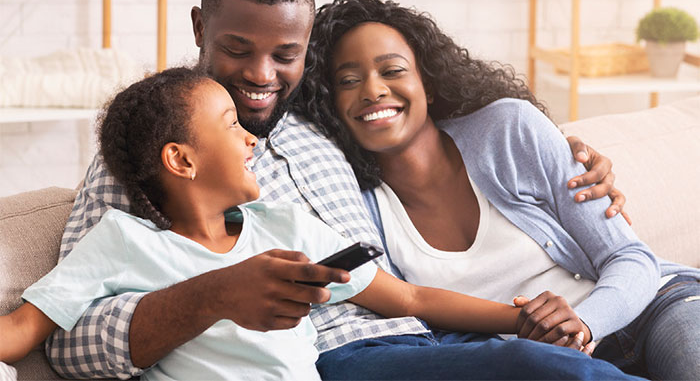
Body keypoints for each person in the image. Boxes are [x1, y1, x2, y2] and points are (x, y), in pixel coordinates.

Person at [47, 0, 633, 380]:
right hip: (326, 358)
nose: (261, 76)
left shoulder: (322, 118)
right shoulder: (151, 150)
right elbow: (66, 342)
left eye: (286, 55)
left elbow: (422, 120)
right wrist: (213, 295)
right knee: (549, 370)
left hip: (430, 339)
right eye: (236, 50)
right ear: (201, 27)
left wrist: (566, 152)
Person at [6, 67, 627, 380]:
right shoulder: (119, 241)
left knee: (525, 361)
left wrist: (522, 319)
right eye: (229, 123)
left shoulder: (283, 224)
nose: (250, 133)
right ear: (181, 159)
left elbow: (407, 296)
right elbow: (24, 333)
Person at [306, 0, 700, 380]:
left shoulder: (509, 130)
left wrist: (581, 323)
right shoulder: (359, 207)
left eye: (392, 71)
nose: (373, 90)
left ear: (426, 79)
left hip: (652, 310)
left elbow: (631, 258)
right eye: (349, 80)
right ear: (329, 102)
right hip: (549, 366)